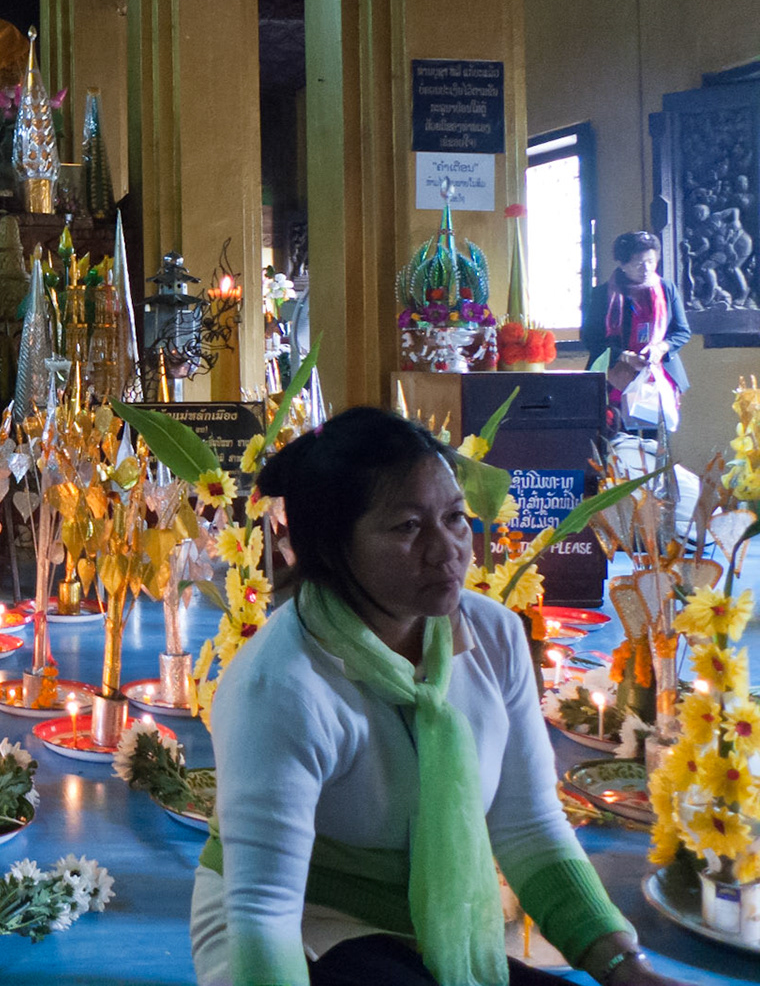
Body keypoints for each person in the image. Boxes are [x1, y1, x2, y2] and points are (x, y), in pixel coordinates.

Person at [190, 407, 681, 986]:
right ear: (331, 544)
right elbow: (263, 910)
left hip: (434, 925)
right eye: (407, 527)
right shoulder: (282, 685)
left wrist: (624, 967)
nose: (446, 548)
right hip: (302, 928)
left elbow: (528, 827)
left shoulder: (495, 636)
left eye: (454, 517)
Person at [579, 230, 691, 430]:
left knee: (656, 440)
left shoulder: (667, 289)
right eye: (639, 263)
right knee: (619, 438)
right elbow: (591, 338)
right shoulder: (603, 294)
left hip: (658, 374)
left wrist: (661, 348)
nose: (646, 268)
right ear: (622, 265)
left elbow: (682, 331)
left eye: (651, 261)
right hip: (616, 376)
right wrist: (624, 356)